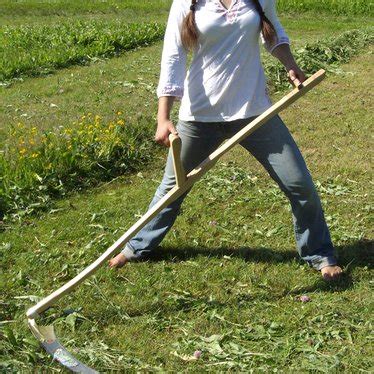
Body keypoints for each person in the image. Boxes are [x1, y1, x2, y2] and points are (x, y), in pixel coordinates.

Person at [109, 0, 342, 280]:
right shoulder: (188, 2)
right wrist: (163, 116)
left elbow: (273, 34)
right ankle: (137, 247)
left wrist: (290, 64)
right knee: (172, 188)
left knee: (299, 183)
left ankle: (319, 252)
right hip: (199, 116)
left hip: (254, 111)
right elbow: (173, 54)